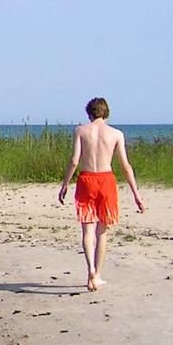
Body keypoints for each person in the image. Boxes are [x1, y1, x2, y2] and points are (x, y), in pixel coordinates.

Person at [58, 97, 146, 291]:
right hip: (106, 180)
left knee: (87, 231)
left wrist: (65, 185)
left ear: (89, 113)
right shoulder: (116, 134)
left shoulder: (80, 131)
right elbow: (125, 165)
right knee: (102, 232)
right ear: (106, 113)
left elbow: (74, 161)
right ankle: (97, 274)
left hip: (86, 179)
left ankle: (89, 268)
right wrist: (136, 194)